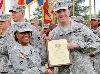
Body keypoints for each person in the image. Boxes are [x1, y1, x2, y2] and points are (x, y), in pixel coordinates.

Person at [48, 0, 100, 74]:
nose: (62, 14)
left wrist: (78, 45)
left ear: (68, 12)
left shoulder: (81, 28)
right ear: (55, 14)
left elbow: (97, 43)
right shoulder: (52, 34)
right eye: (59, 11)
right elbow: (50, 58)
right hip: (64, 71)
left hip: (83, 70)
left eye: (64, 10)